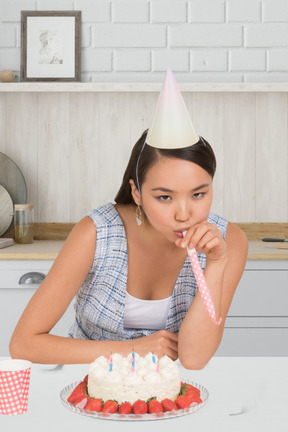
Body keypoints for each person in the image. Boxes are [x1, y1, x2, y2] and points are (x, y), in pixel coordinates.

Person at [10, 71, 248, 369]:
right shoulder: (96, 233)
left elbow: (195, 359)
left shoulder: (229, 242)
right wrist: (132, 349)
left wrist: (216, 264)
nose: (184, 214)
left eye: (199, 194)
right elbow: (23, 343)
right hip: (88, 388)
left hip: (171, 396)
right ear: (137, 192)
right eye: (165, 197)